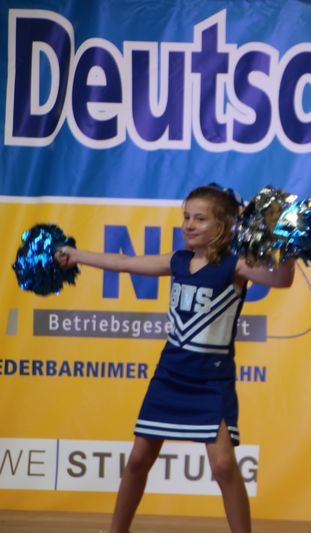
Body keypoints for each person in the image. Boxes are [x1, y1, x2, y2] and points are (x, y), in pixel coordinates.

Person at [58, 185, 296, 533]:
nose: (189, 225)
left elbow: (282, 280)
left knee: (223, 466)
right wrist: (77, 255)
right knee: (138, 459)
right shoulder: (178, 261)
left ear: (223, 226)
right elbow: (123, 263)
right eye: (186, 217)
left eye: (200, 219)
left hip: (211, 381)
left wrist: (290, 243)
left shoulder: (235, 266)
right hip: (169, 375)